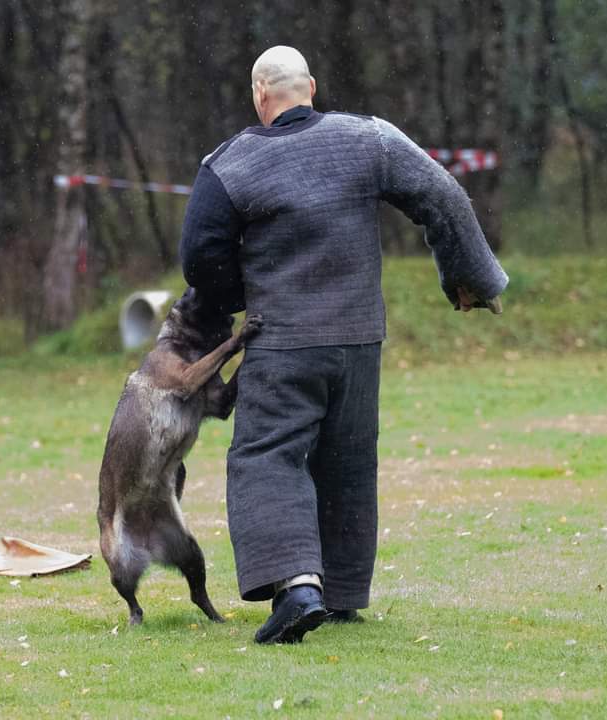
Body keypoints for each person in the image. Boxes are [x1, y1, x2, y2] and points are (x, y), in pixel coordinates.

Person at [179, 46, 508, 644]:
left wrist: (239, 295)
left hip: (283, 343)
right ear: (311, 87)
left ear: (260, 95)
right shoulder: (370, 139)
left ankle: (299, 588)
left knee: (267, 456)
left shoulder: (231, 164)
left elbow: (200, 259)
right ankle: (343, 593)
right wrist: (470, 277)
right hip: (359, 338)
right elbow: (442, 194)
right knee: (348, 461)